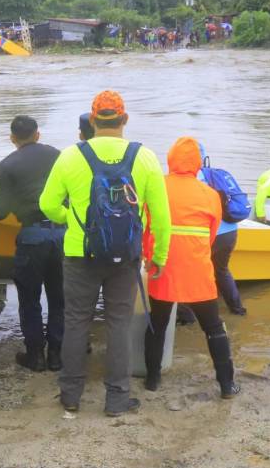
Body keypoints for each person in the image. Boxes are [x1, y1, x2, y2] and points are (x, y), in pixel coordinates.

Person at [39, 90, 171, 417]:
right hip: (125, 256)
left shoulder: (71, 156)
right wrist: (160, 257)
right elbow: (162, 216)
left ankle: (70, 396)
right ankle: (117, 398)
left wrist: (71, 219)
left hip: (79, 255)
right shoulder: (145, 157)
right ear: (125, 119)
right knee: (118, 324)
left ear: (93, 120)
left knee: (76, 322)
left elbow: (47, 205)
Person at [144, 137, 241, 398]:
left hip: (163, 268)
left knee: (158, 324)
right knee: (213, 327)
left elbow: (146, 228)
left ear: (170, 159)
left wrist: (149, 256)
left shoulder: (157, 187)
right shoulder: (210, 195)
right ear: (198, 163)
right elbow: (211, 236)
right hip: (198, 270)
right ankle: (226, 385)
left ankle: (152, 380)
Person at [0, 115, 65, 372]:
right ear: (38, 134)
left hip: (32, 238)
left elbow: (0, 210)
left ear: (12, 139)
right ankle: (56, 356)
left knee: (30, 299)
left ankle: (36, 356)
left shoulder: (8, 164)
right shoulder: (58, 156)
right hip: (62, 235)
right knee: (59, 298)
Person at [199, 144, 248, 316]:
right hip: (230, 232)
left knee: (196, 272)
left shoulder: (193, 178)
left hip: (210, 234)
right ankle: (237, 309)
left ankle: (191, 316)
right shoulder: (217, 175)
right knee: (222, 270)